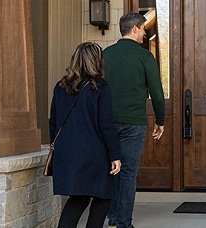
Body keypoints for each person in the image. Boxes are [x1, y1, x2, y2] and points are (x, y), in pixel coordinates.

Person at [49, 42, 121, 228]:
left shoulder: (60, 86)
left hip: (66, 152)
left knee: (78, 198)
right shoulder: (100, 88)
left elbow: (53, 122)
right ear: (96, 61)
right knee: (103, 196)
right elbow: (106, 125)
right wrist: (115, 155)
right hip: (92, 153)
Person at [103, 12, 165, 228]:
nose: (145, 33)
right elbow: (156, 93)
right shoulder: (145, 57)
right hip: (133, 123)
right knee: (128, 171)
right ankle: (123, 222)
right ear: (135, 29)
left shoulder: (105, 54)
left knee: (112, 168)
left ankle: (112, 213)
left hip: (107, 122)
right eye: (143, 28)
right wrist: (160, 120)